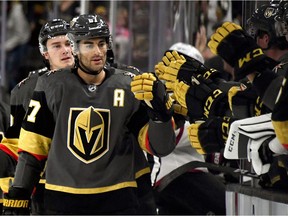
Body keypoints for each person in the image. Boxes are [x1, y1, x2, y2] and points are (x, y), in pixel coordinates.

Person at [2, 14, 175, 215]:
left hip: (118, 201)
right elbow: (33, 151)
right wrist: (19, 196)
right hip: (61, 202)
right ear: (75, 48)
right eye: (89, 45)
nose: (98, 51)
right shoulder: (51, 86)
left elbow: (159, 148)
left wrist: (161, 114)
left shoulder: (130, 85)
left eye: (101, 44)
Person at [0, 18, 74, 215]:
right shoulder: (24, 89)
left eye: (69, 43)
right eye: (56, 45)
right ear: (45, 52)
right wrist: (16, 193)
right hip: (42, 187)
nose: (65, 50)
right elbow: (15, 145)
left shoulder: (96, 82)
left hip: (88, 185)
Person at [151, 42, 226, 215]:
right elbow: (171, 135)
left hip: (175, 179)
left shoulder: (193, 98)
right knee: (230, 208)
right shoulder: (161, 96)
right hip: (179, 175)